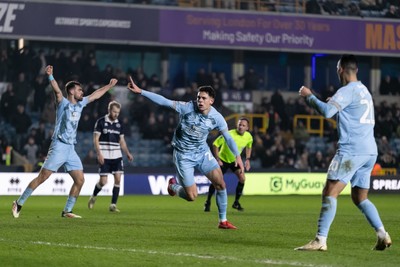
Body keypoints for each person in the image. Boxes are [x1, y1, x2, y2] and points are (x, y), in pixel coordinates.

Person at [295, 55, 392, 251]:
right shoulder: (364, 90)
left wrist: (309, 96)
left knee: (330, 191)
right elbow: (350, 111)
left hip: (351, 151)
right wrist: (335, 103)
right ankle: (382, 234)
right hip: (369, 151)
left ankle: (320, 240)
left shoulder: (346, 91)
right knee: (360, 197)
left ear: (341, 69)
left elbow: (327, 112)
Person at [127, 77, 244, 229]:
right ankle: (173, 186)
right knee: (192, 196)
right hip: (183, 156)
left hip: (202, 153)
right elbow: (164, 101)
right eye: (198, 97)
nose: (200, 101)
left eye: (203, 98)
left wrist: (238, 157)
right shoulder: (187, 107)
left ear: (211, 101)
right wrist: (141, 91)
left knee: (220, 183)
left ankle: (223, 221)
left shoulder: (217, 118)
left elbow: (228, 138)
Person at [12, 65, 118, 219]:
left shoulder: (81, 104)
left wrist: (109, 86)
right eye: (79, 90)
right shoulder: (62, 103)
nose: (82, 92)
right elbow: (56, 90)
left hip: (70, 149)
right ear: (71, 91)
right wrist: (50, 76)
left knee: (80, 179)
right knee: (43, 177)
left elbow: (96, 95)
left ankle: (67, 210)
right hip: (59, 146)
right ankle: (19, 203)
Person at [88, 100, 133, 212]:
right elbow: (95, 139)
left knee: (118, 179)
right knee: (103, 182)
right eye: (114, 112)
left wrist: (127, 152)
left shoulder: (119, 124)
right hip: (104, 155)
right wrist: (99, 154)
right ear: (109, 110)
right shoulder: (101, 122)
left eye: (118, 112)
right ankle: (93, 196)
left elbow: (122, 140)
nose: (116, 114)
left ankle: (113, 205)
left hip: (117, 156)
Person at [204, 117, 253, 212]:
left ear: (247, 128)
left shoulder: (249, 137)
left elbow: (249, 146)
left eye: (243, 125)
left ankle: (236, 202)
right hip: (223, 160)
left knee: (242, 178)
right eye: (239, 124)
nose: (241, 127)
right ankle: (208, 201)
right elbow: (215, 144)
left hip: (235, 161)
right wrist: (217, 159)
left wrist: (247, 159)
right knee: (216, 181)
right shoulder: (229, 134)